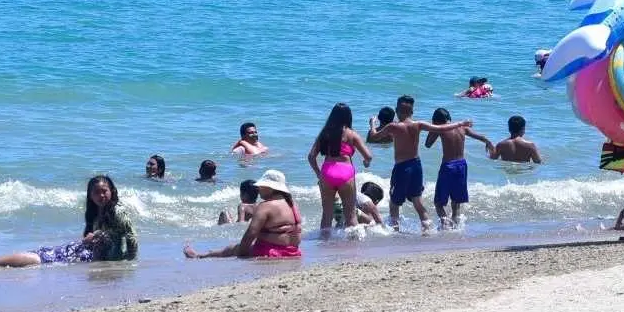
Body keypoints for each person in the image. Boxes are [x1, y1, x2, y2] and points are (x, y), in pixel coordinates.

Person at [0, 175, 138, 267]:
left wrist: (128, 264)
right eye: (96, 193)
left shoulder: (117, 211)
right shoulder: (98, 210)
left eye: (104, 191)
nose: (101, 196)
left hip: (99, 256)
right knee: (46, 254)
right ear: (90, 196)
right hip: (92, 254)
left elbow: (131, 236)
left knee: (45, 257)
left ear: (112, 191)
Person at [375, 96, 472, 233]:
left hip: (402, 167)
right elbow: (441, 128)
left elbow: (374, 136)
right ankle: (427, 230)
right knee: (417, 201)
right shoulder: (418, 124)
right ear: (412, 112)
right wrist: (460, 123)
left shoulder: (393, 126)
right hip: (416, 165)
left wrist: (371, 125)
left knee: (394, 203)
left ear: (397, 110)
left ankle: (395, 232)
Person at [185, 170, 302, 259]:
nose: (259, 188)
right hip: (294, 252)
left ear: (270, 188)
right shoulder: (292, 204)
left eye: (262, 186)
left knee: (232, 248)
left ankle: (200, 256)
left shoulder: (266, 206)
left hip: (271, 252)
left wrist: (241, 253)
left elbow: (251, 234)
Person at [306, 104, 373, 236]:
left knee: (326, 215)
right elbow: (368, 156)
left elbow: (311, 157)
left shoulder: (324, 133)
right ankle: (353, 246)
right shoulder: (351, 134)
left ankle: (324, 245)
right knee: (351, 215)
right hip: (345, 173)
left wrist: (319, 174)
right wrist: (366, 162)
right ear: (349, 117)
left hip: (327, 173)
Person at [426, 107, 492, 230]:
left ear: (437, 120)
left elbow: (428, 144)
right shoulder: (462, 127)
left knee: (439, 203)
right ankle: (456, 227)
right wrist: (488, 142)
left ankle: (445, 225)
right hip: (462, 165)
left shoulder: (441, 129)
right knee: (456, 203)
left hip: (448, 166)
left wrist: (433, 127)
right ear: (449, 118)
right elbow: (482, 137)